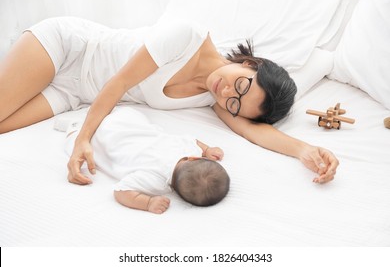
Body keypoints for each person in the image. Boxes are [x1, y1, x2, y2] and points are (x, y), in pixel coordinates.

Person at [0, 17, 337, 184]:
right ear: (251, 64)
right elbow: (117, 85)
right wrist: (83, 140)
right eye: (243, 86)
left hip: (73, 95)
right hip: (67, 50)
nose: (227, 94)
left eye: (235, 104)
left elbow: (253, 131)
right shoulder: (187, 36)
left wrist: (306, 150)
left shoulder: (215, 100)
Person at [64, 107, 230, 214]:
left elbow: (194, 141)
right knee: (74, 142)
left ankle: (89, 117)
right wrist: (148, 202)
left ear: (193, 158)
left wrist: (207, 149)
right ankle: (72, 128)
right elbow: (122, 192)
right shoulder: (155, 182)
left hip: (123, 120)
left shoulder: (186, 150)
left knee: (133, 117)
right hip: (102, 141)